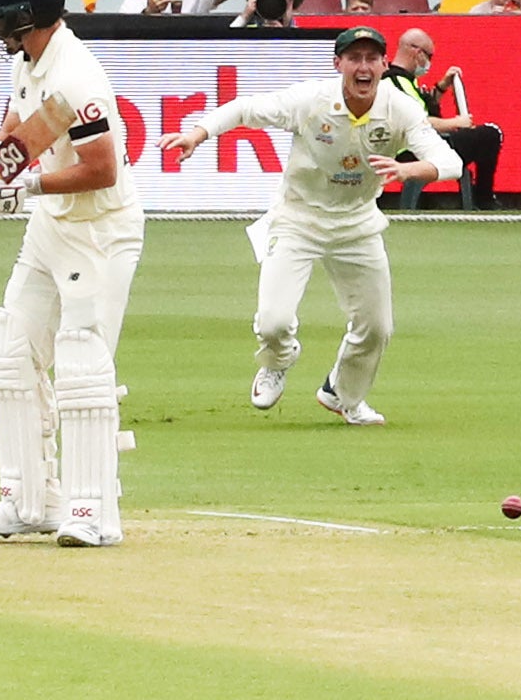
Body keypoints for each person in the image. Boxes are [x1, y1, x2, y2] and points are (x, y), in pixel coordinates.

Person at [167, 28, 462, 428]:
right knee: (272, 321)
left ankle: (343, 395)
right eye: (353, 58)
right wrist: (197, 134)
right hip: (298, 219)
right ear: (337, 64)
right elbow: (243, 109)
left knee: (376, 328)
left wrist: (406, 168)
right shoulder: (311, 100)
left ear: (382, 65)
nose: (363, 67)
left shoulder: (399, 108)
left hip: (357, 223)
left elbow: (450, 163)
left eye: (371, 59)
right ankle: (278, 359)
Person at [0, 0, 145, 549]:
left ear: (24, 17)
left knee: (83, 366)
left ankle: (93, 512)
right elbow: (20, 136)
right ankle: (29, 499)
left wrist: (24, 187)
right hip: (52, 225)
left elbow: (101, 169)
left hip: (101, 230)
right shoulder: (27, 61)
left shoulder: (78, 77)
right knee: (11, 354)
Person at [385, 27, 502, 207]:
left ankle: (480, 198)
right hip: (413, 150)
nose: (429, 63)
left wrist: (441, 87)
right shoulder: (393, 82)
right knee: (491, 134)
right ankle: (484, 199)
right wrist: (455, 123)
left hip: (422, 145)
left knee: (485, 136)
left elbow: (424, 108)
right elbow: (416, 121)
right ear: (417, 53)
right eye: (429, 56)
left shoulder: (406, 81)